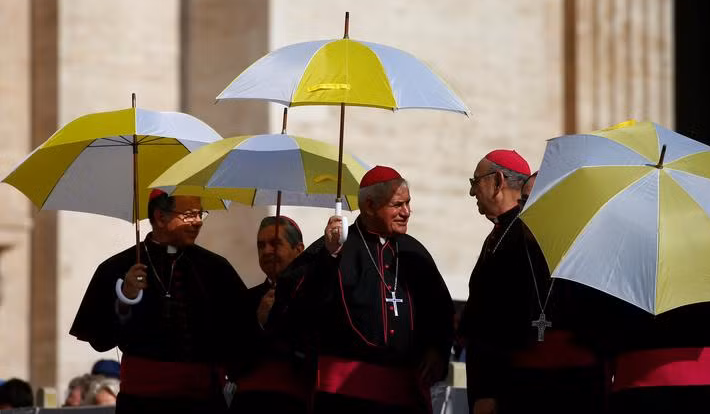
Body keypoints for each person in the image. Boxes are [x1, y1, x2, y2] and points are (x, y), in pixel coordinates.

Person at [291, 165, 454, 414]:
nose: (407, 212)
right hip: (345, 398)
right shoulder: (334, 248)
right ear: (369, 206)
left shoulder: (414, 252)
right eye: (397, 205)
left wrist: (436, 348)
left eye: (408, 203)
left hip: (403, 395)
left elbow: (441, 310)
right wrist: (330, 255)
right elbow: (302, 305)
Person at [69, 189, 247, 414]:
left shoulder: (216, 268)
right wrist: (126, 296)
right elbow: (101, 340)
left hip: (203, 403)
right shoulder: (117, 267)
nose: (199, 222)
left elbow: (240, 332)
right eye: (190, 215)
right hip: (142, 402)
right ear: (161, 218)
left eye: (201, 214)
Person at [459, 150, 606, 414]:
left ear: (498, 181)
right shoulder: (502, 238)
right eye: (524, 202)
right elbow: (488, 322)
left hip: (571, 386)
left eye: (475, 181)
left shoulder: (585, 250)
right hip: (520, 385)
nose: (525, 211)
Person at [230, 215, 310, 414]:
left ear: (298, 250)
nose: (266, 251)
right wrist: (260, 323)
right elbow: (232, 358)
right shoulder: (245, 299)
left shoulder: (313, 296)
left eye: (275, 243)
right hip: (250, 403)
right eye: (261, 245)